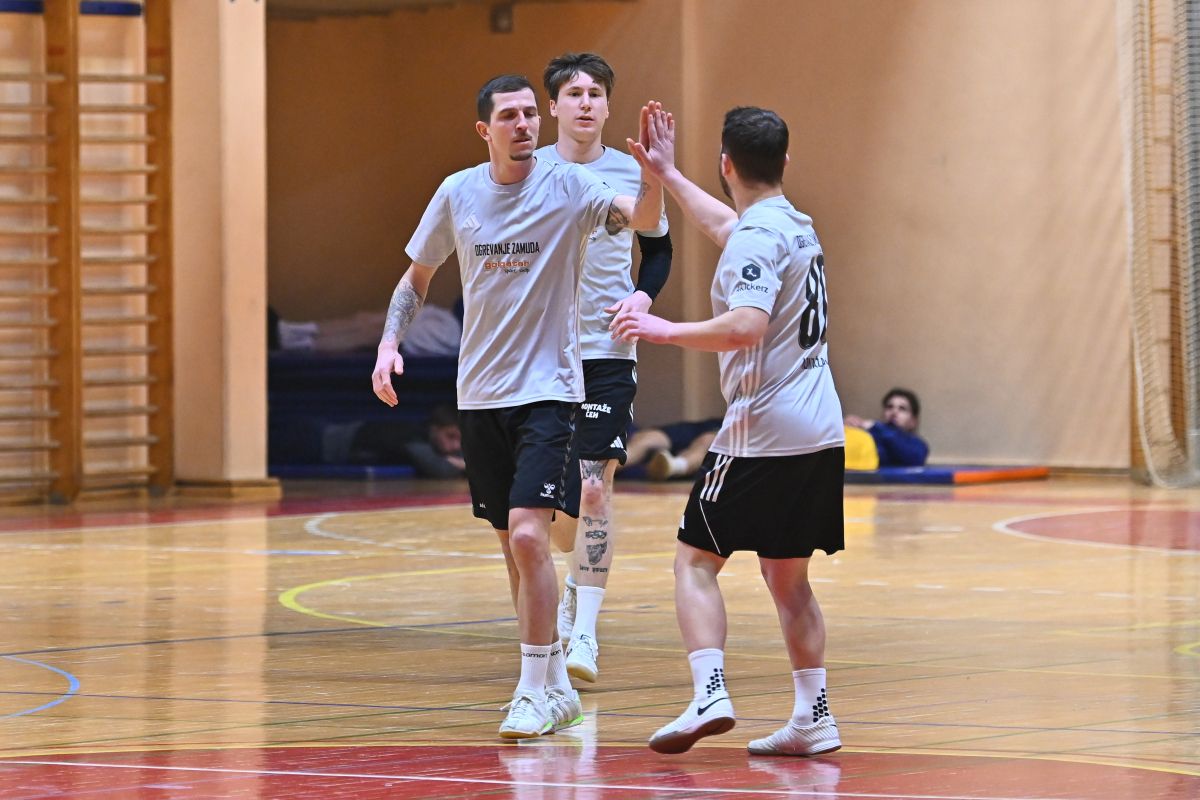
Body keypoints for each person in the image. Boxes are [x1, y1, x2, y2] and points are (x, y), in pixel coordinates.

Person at [371, 74, 664, 740]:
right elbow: (417, 277)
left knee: (532, 535)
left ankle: (531, 689)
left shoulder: (570, 186)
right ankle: (555, 684)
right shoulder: (458, 192)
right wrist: (389, 343)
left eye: (532, 112)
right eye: (511, 115)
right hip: (480, 396)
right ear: (486, 129)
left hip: (549, 393)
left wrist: (655, 176)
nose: (526, 123)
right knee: (514, 546)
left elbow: (643, 220)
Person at [614, 104, 845, 757]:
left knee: (694, 561)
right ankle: (814, 716)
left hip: (763, 430)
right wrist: (667, 174)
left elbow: (745, 325)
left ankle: (709, 691)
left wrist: (663, 330)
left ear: (727, 164)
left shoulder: (756, 236)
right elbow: (728, 226)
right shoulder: (794, 224)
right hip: (820, 429)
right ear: (784, 162)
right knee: (788, 579)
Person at [537, 52, 674, 685]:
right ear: (553, 106)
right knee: (553, 513)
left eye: (595, 92)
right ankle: (569, 583)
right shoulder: (531, 172)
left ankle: (585, 632)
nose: (585, 102)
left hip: (606, 350)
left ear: (608, 105)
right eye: (574, 93)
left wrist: (642, 297)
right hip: (539, 354)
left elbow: (659, 248)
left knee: (596, 485)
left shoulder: (628, 172)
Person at [844, 387, 929, 467]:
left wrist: (876, 426)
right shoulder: (870, 437)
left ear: (913, 421)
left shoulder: (918, 446)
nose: (894, 412)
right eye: (889, 407)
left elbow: (914, 459)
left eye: (902, 408)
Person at [620, 417, 723, 480]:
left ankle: (675, 466)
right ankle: (613, 464)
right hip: (709, 426)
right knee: (648, 438)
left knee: (708, 441)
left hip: (722, 433)